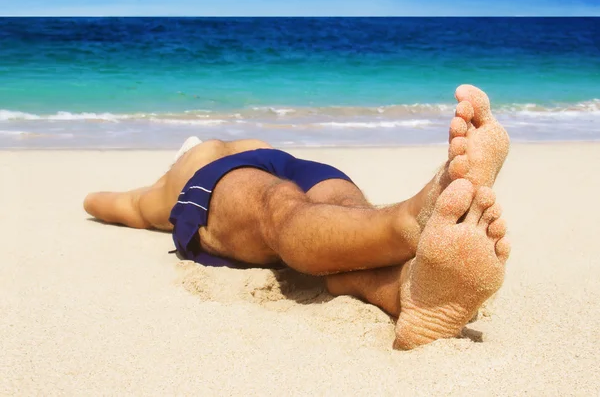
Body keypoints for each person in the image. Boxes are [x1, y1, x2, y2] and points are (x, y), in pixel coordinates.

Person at [84, 84, 510, 350]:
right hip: (295, 163)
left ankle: (408, 224)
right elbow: (106, 204)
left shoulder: (171, 180)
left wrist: (97, 200)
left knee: (281, 208)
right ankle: (402, 284)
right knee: (333, 210)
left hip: (226, 178)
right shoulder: (202, 167)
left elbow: (108, 203)